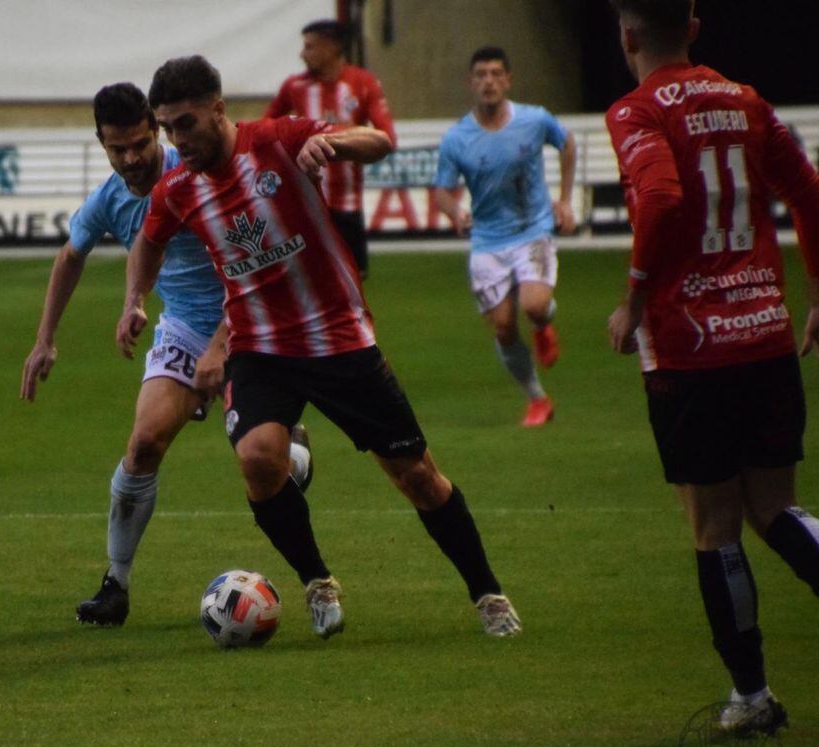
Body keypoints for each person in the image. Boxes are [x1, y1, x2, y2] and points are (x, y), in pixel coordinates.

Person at [119, 55, 521, 639]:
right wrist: (135, 297)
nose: (177, 140)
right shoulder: (179, 188)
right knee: (258, 458)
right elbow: (148, 241)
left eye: (185, 124)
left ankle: (487, 591)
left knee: (417, 477)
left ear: (218, 109)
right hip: (259, 348)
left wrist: (334, 147)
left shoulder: (278, 140)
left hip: (338, 340)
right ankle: (317, 581)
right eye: (168, 128)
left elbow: (379, 140)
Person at [19, 82, 313, 627]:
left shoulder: (199, 169)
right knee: (145, 442)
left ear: (156, 131)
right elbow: (69, 256)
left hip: (249, 318)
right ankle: (116, 584)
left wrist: (224, 342)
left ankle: (290, 439)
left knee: (272, 463)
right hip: (181, 327)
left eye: (139, 144)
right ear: (102, 144)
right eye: (117, 149)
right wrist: (45, 340)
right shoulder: (109, 197)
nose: (131, 158)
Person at [605, 0, 819, 735]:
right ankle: (751, 697)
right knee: (776, 510)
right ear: (693, 28)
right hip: (765, 334)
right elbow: (809, 192)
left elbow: (660, 195)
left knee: (715, 529)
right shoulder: (747, 101)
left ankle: (752, 697)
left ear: (627, 35)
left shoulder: (636, 111)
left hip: (691, 348)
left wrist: (633, 299)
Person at [432, 46, 577, 427]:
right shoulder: (457, 138)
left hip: (533, 230)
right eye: (481, 74)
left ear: (508, 80)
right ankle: (538, 399)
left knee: (533, 304)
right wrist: (455, 212)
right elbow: (442, 191)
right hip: (487, 241)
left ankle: (544, 325)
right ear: (470, 83)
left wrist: (564, 200)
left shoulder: (534, 120)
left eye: (496, 74)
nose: (489, 81)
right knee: (503, 326)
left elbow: (568, 144)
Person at [264, 19, 396, 280]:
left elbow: (386, 136)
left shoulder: (363, 83)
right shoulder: (295, 87)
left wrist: (343, 141)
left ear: (333, 47)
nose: (303, 54)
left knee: (352, 284)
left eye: (310, 47)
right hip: (306, 203)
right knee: (310, 282)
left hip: (347, 205)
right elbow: (265, 130)